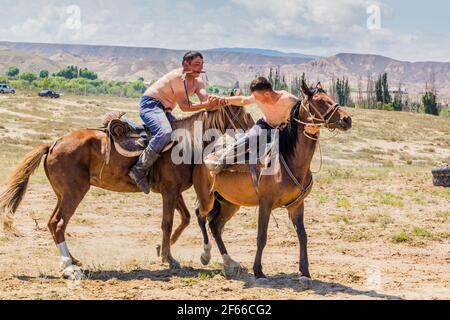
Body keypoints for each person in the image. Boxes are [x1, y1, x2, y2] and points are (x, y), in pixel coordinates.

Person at [130, 51, 226, 193]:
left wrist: (217, 102)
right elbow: (185, 106)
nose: (200, 68)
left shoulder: (198, 82)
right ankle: (139, 168)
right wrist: (207, 104)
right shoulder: (178, 77)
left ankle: (165, 173)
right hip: (151, 105)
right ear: (185, 64)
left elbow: (205, 100)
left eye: (201, 64)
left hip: (164, 110)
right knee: (165, 133)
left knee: (182, 135)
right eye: (196, 64)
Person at [204, 76, 320, 172]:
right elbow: (243, 100)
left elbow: (304, 115)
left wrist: (314, 127)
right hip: (265, 126)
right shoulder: (259, 96)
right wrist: (224, 99)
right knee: (250, 139)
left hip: (284, 130)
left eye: (257, 97)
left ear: (267, 94)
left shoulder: (289, 100)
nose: (255, 99)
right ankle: (221, 161)